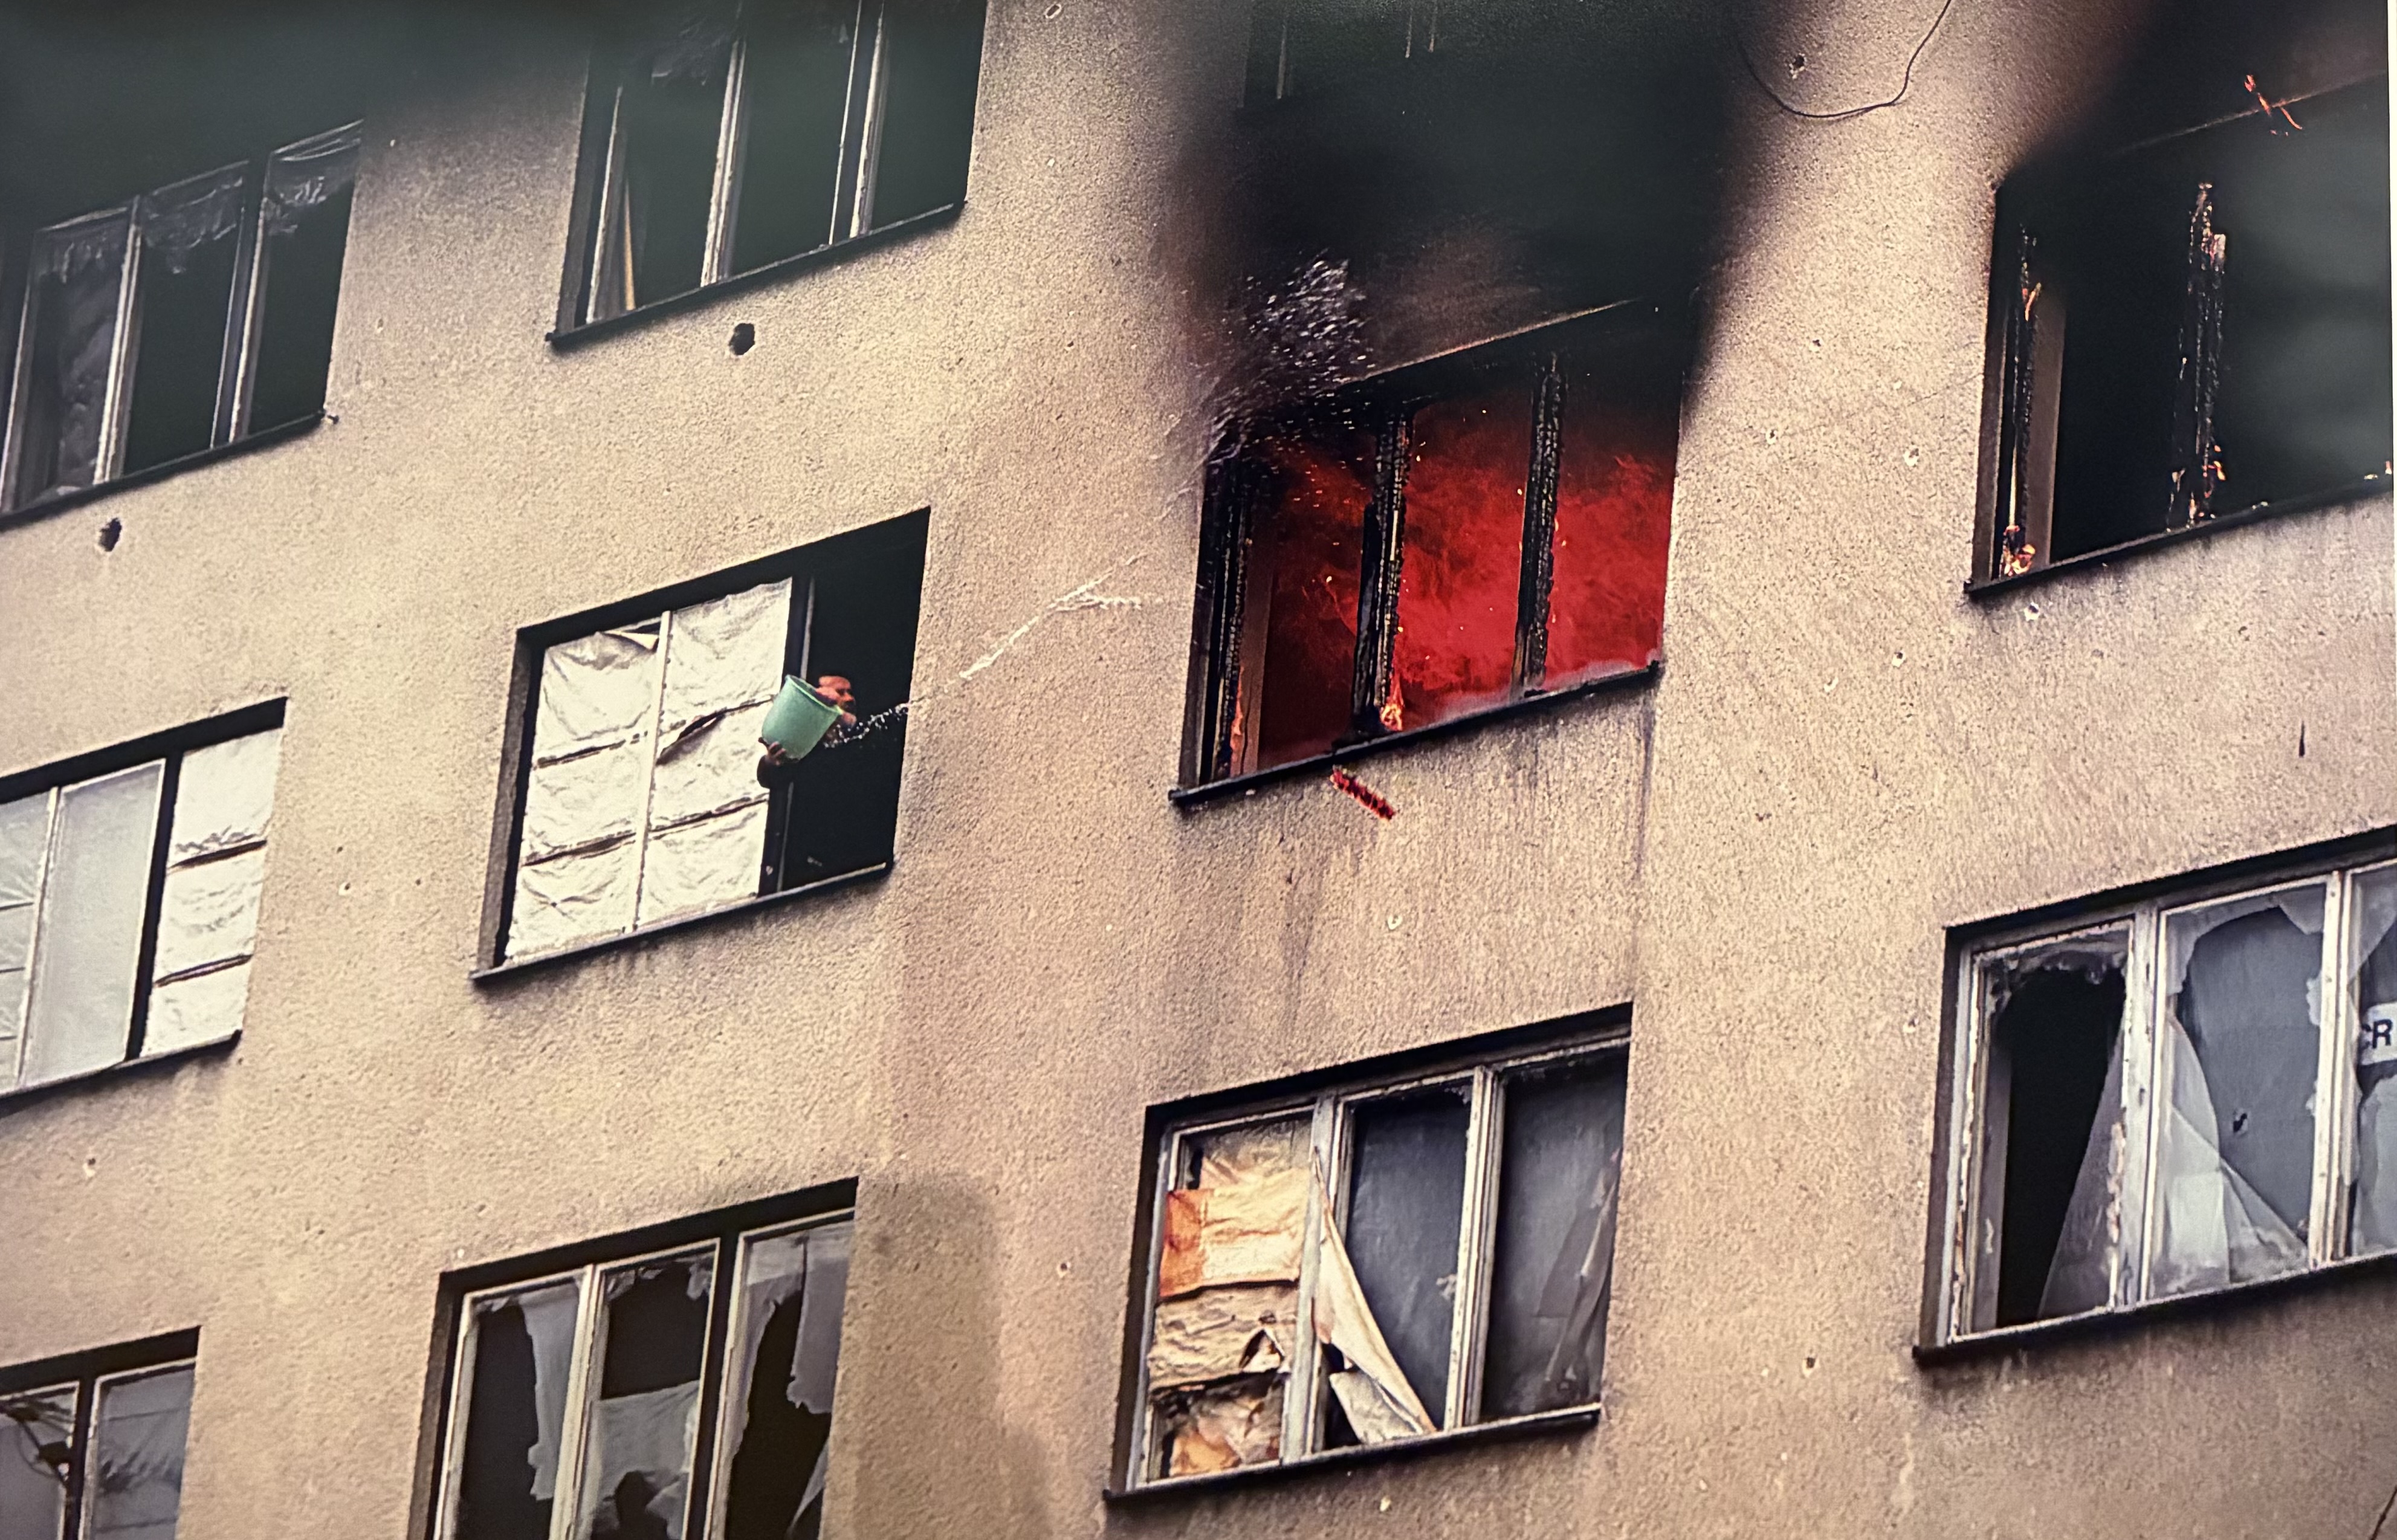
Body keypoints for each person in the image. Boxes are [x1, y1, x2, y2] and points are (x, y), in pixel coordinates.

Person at [755, 673, 908, 886]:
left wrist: (842, 719)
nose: (850, 698)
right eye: (840, 692)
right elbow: (770, 778)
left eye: (850, 692)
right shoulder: (806, 746)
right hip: (820, 865)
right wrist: (772, 761)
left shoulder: (863, 733)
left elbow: (898, 720)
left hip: (870, 855)